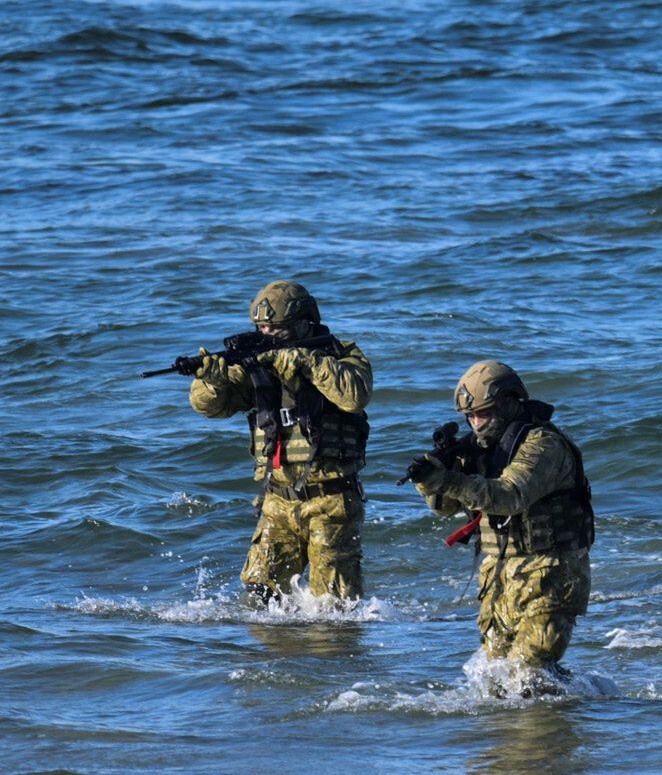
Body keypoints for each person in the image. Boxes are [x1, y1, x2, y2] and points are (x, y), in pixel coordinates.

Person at [186, 280, 371, 602]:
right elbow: (211, 408)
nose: (266, 334)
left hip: (330, 500)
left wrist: (306, 362)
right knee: (260, 596)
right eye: (261, 328)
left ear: (303, 323)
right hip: (276, 499)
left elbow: (354, 396)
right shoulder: (258, 363)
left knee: (333, 608)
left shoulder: (340, 354)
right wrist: (212, 381)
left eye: (276, 328)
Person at [408, 361, 595, 677]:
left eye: (482, 414)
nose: (475, 424)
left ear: (508, 404)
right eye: (470, 416)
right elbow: (445, 507)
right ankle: (583, 699)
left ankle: (588, 702)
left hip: (549, 575)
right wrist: (432, 480)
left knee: (529, 674)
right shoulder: (482, 450)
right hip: (499, 577)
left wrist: (450, 481)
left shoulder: (543, 444)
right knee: (496, 680)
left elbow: (511, 495)